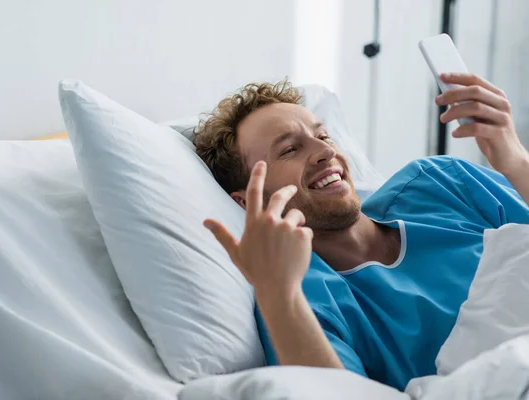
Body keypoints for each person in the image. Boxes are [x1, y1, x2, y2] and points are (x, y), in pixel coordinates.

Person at [194, 73, 529, 390]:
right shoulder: (301, 296)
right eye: (290, 150)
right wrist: (277, 293)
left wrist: (515, 160)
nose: (326, 151)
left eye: (323, 135)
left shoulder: (442, 182)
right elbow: (335, 394)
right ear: (246, 202)